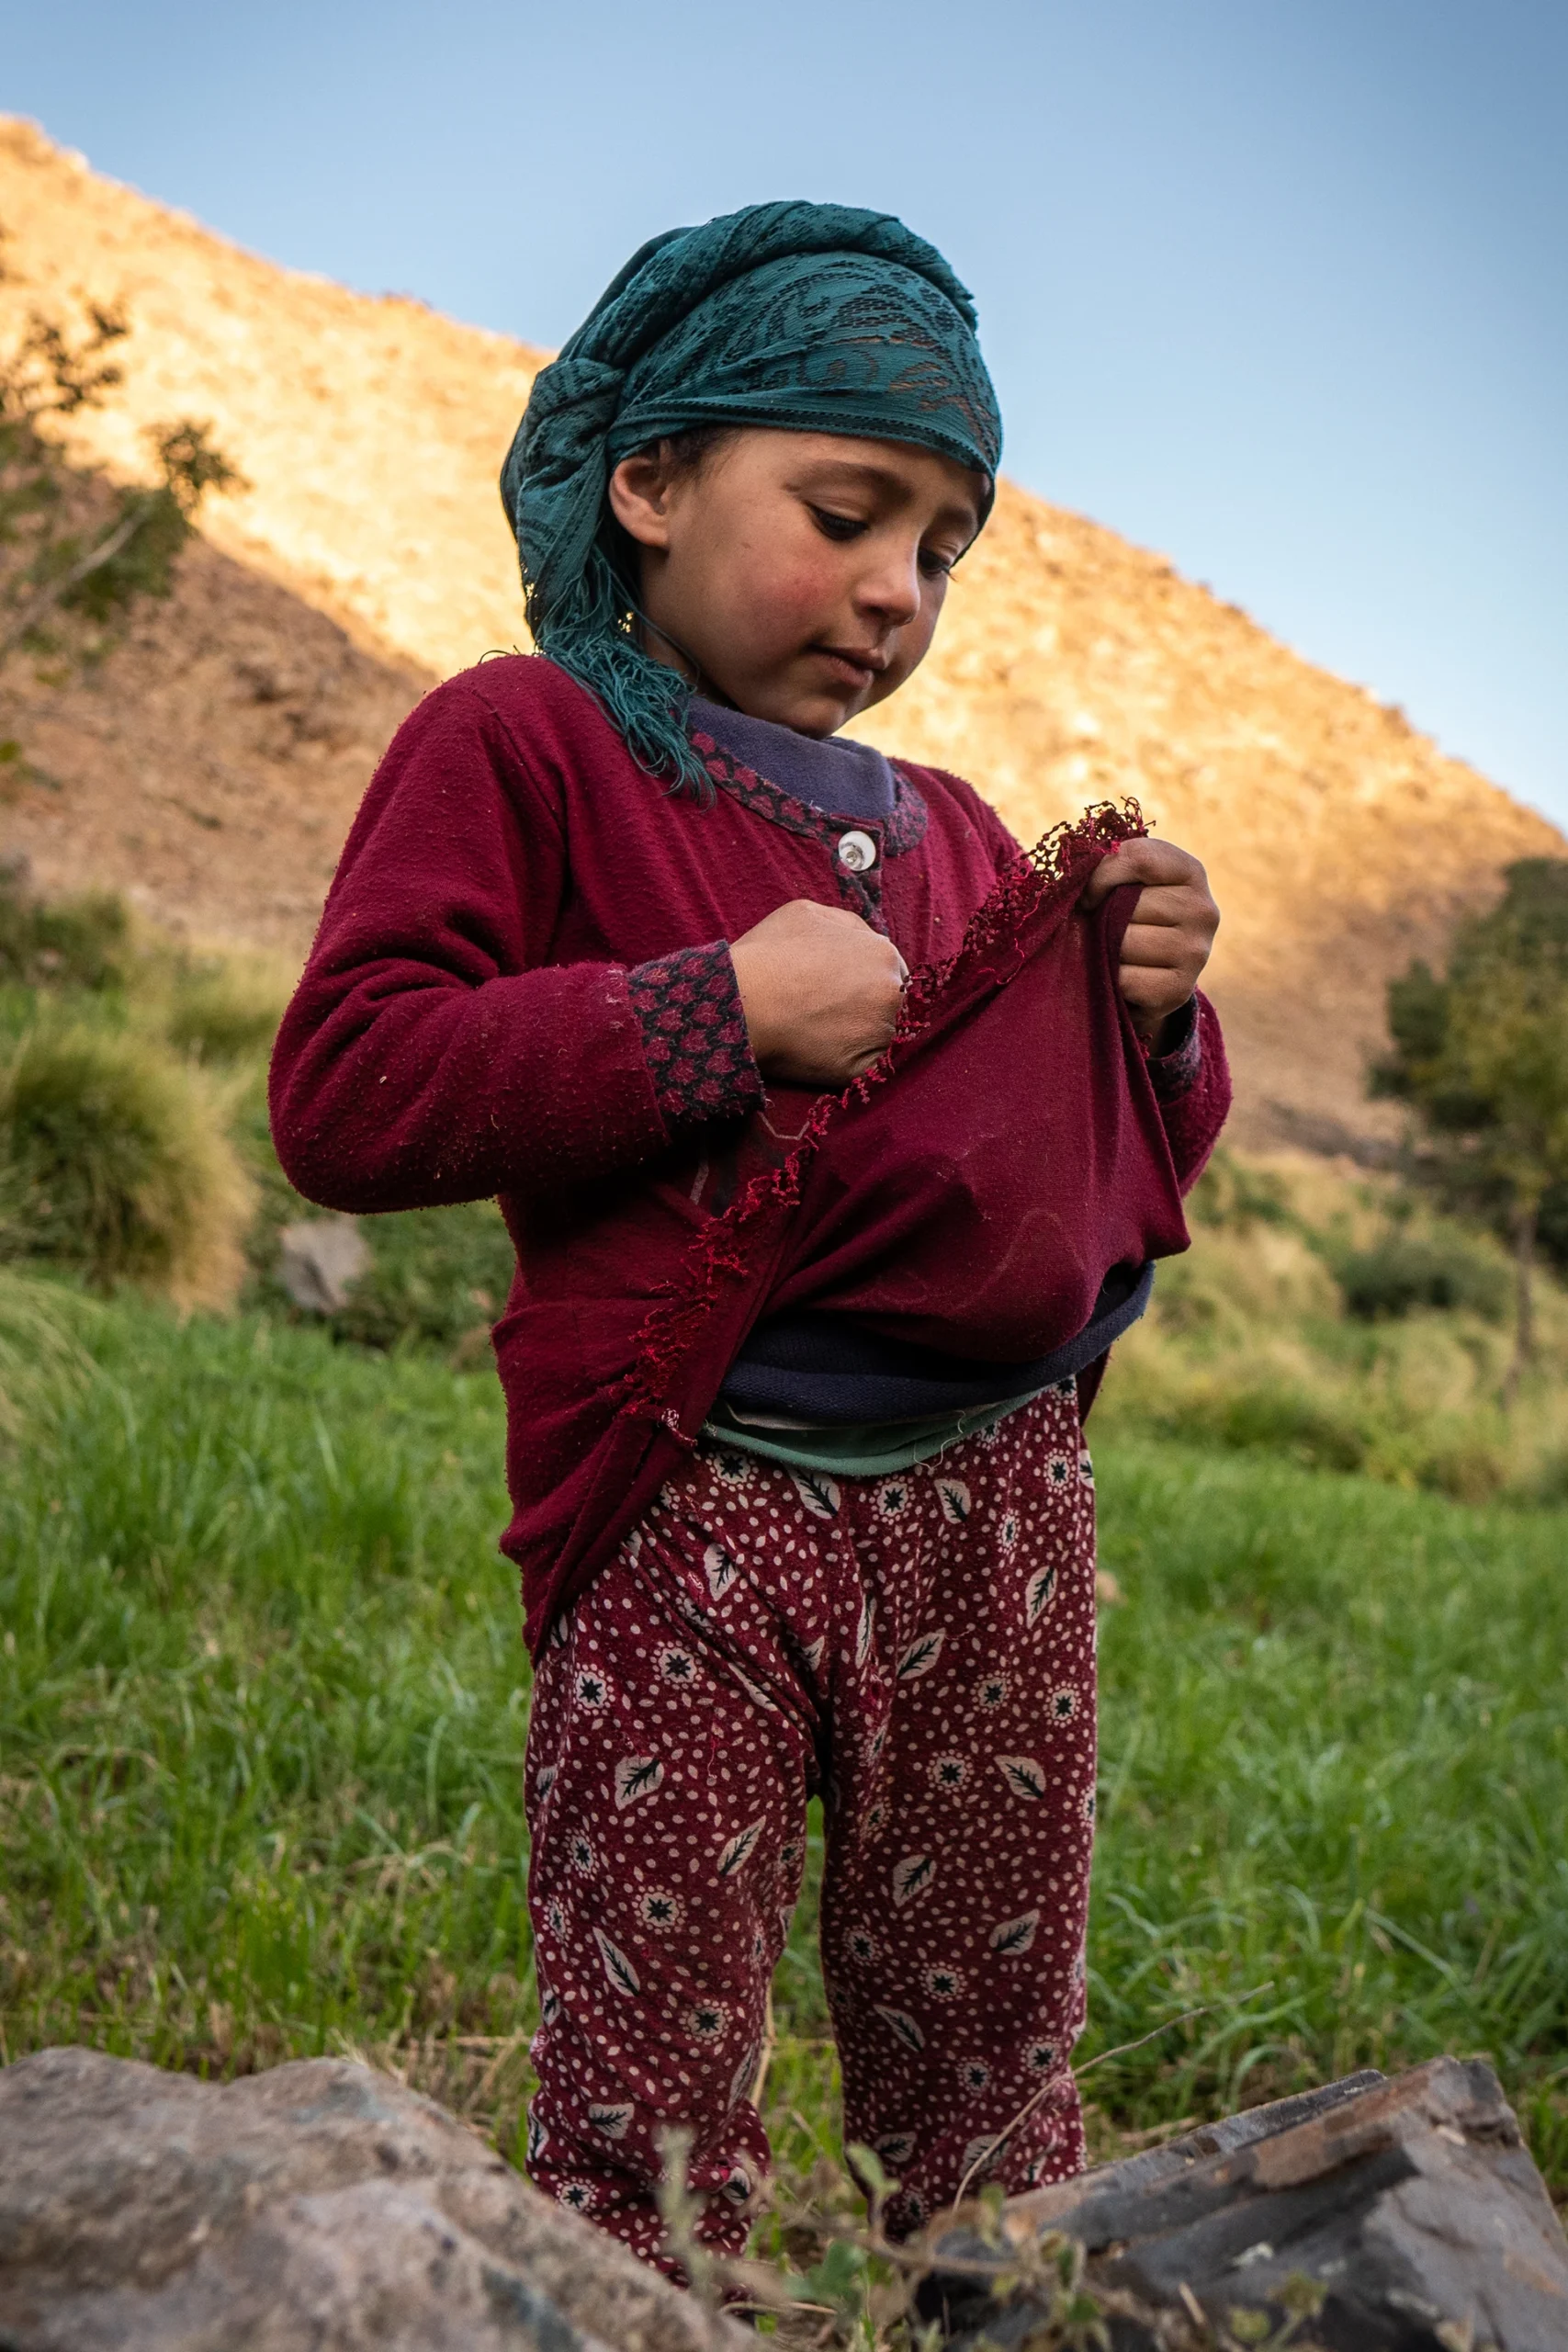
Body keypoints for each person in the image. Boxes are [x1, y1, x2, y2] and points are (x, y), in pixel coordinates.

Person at [270, 200, 1228, 2273]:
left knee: (986, 2074)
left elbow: (1074, 1154)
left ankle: (986, 2310)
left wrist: (1150, 1013)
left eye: (943, 548)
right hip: (689, 1502)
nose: (897, 587)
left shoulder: (965, 828)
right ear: (646, 480)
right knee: (650, 2094)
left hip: (995, 1513)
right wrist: (715, 1007)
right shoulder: (519, 744)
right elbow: (347, 1086)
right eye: (846, 508)